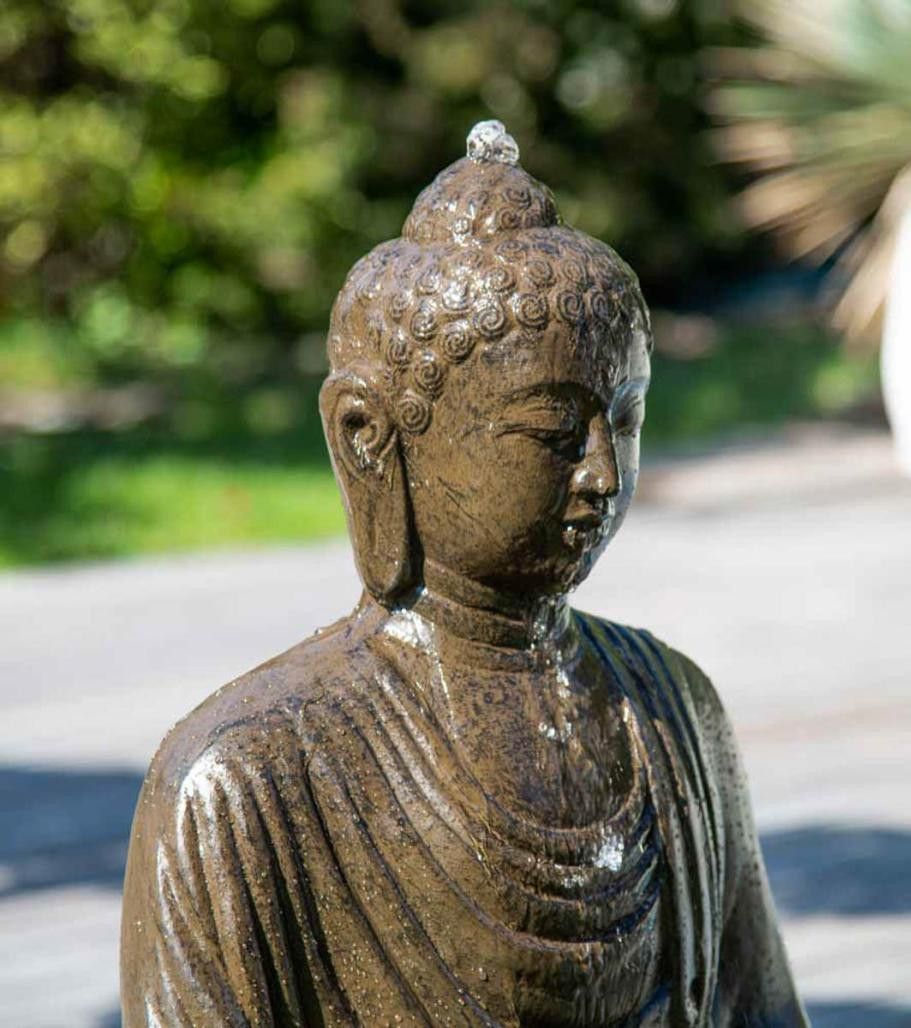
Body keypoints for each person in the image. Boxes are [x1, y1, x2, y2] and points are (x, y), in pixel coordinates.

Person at [121, 121, 808, 1027]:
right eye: (552, 431)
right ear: (369, 438)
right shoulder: (242, 781)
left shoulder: (673, 716)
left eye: (626, 420)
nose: (603, 474)